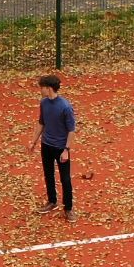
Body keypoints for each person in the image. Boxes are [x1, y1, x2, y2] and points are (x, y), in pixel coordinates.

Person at [27, 73, 77, 221]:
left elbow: (71, 130)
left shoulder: (65, 107)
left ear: (49, 89)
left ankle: (68, 208)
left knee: (65, 179)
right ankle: (52, 201)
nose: (40, 90)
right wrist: (33, 141)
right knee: (48, 174)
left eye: (42, 87)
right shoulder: (44, 103)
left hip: (61, 148)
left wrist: (66, 150)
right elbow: (41, 123)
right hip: (46, 145)